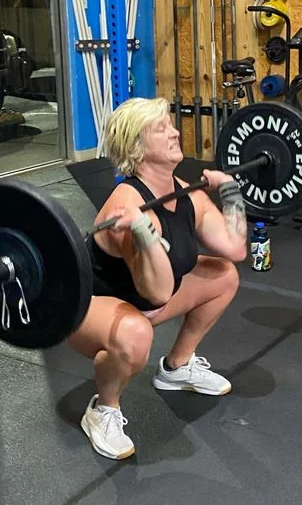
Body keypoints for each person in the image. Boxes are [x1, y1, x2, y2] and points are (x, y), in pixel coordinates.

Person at [68, 97, 248, 460]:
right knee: (136, 334)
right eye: (161, 128)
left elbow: (235, 248)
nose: (175, 131)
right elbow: (159, 289)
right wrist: (141, 230)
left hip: (146, 304)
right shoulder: (125, 204)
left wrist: (229, 189)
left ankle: (177, 368)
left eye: (171, 124)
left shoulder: (187, 194)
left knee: (223, 275)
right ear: (137, 147)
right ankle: (103, 409)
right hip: (89, 309)